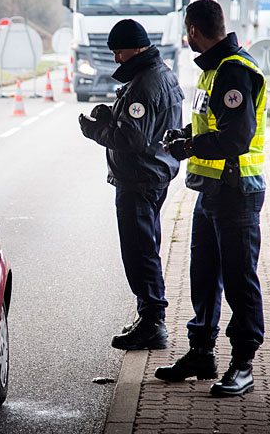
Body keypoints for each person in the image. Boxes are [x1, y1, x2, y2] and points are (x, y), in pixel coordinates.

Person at [156, 0, 267, 397]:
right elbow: (213, 121)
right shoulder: (214, 71)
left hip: (236, 190)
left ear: (193, 31)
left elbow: (236, 137)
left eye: (187, 32)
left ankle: (243, 364)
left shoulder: (233, 71)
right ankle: (201, 352)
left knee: (238, 280)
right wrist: (186, 134)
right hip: (212, 191)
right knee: (203, 276)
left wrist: (191, 146)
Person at [78, 19, 184, 350]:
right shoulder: (162, 74)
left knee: (139, 253)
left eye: (119, 53)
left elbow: (132, 139)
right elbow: (149, 126)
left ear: (135, 49)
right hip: (155, 174)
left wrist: (96, 131)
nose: (116, 60)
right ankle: (148, 316)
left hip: (139, 179)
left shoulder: (143, 85)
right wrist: (112, 115)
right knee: (146, 247)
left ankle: (153, 323)